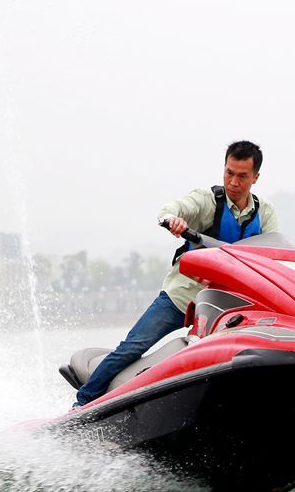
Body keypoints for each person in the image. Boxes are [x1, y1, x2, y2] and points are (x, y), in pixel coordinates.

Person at [70, 140, 277, 408]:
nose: (233, 182)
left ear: (255, 178)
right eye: (229, 172)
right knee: (133, 347)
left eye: (242, 176)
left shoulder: (265, 213)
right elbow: (169, 210)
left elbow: (274, 253)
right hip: (182, 297)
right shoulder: (207, 200)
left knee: (234, 362)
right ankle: (83, 403)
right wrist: (174, 220)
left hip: (226, 309)